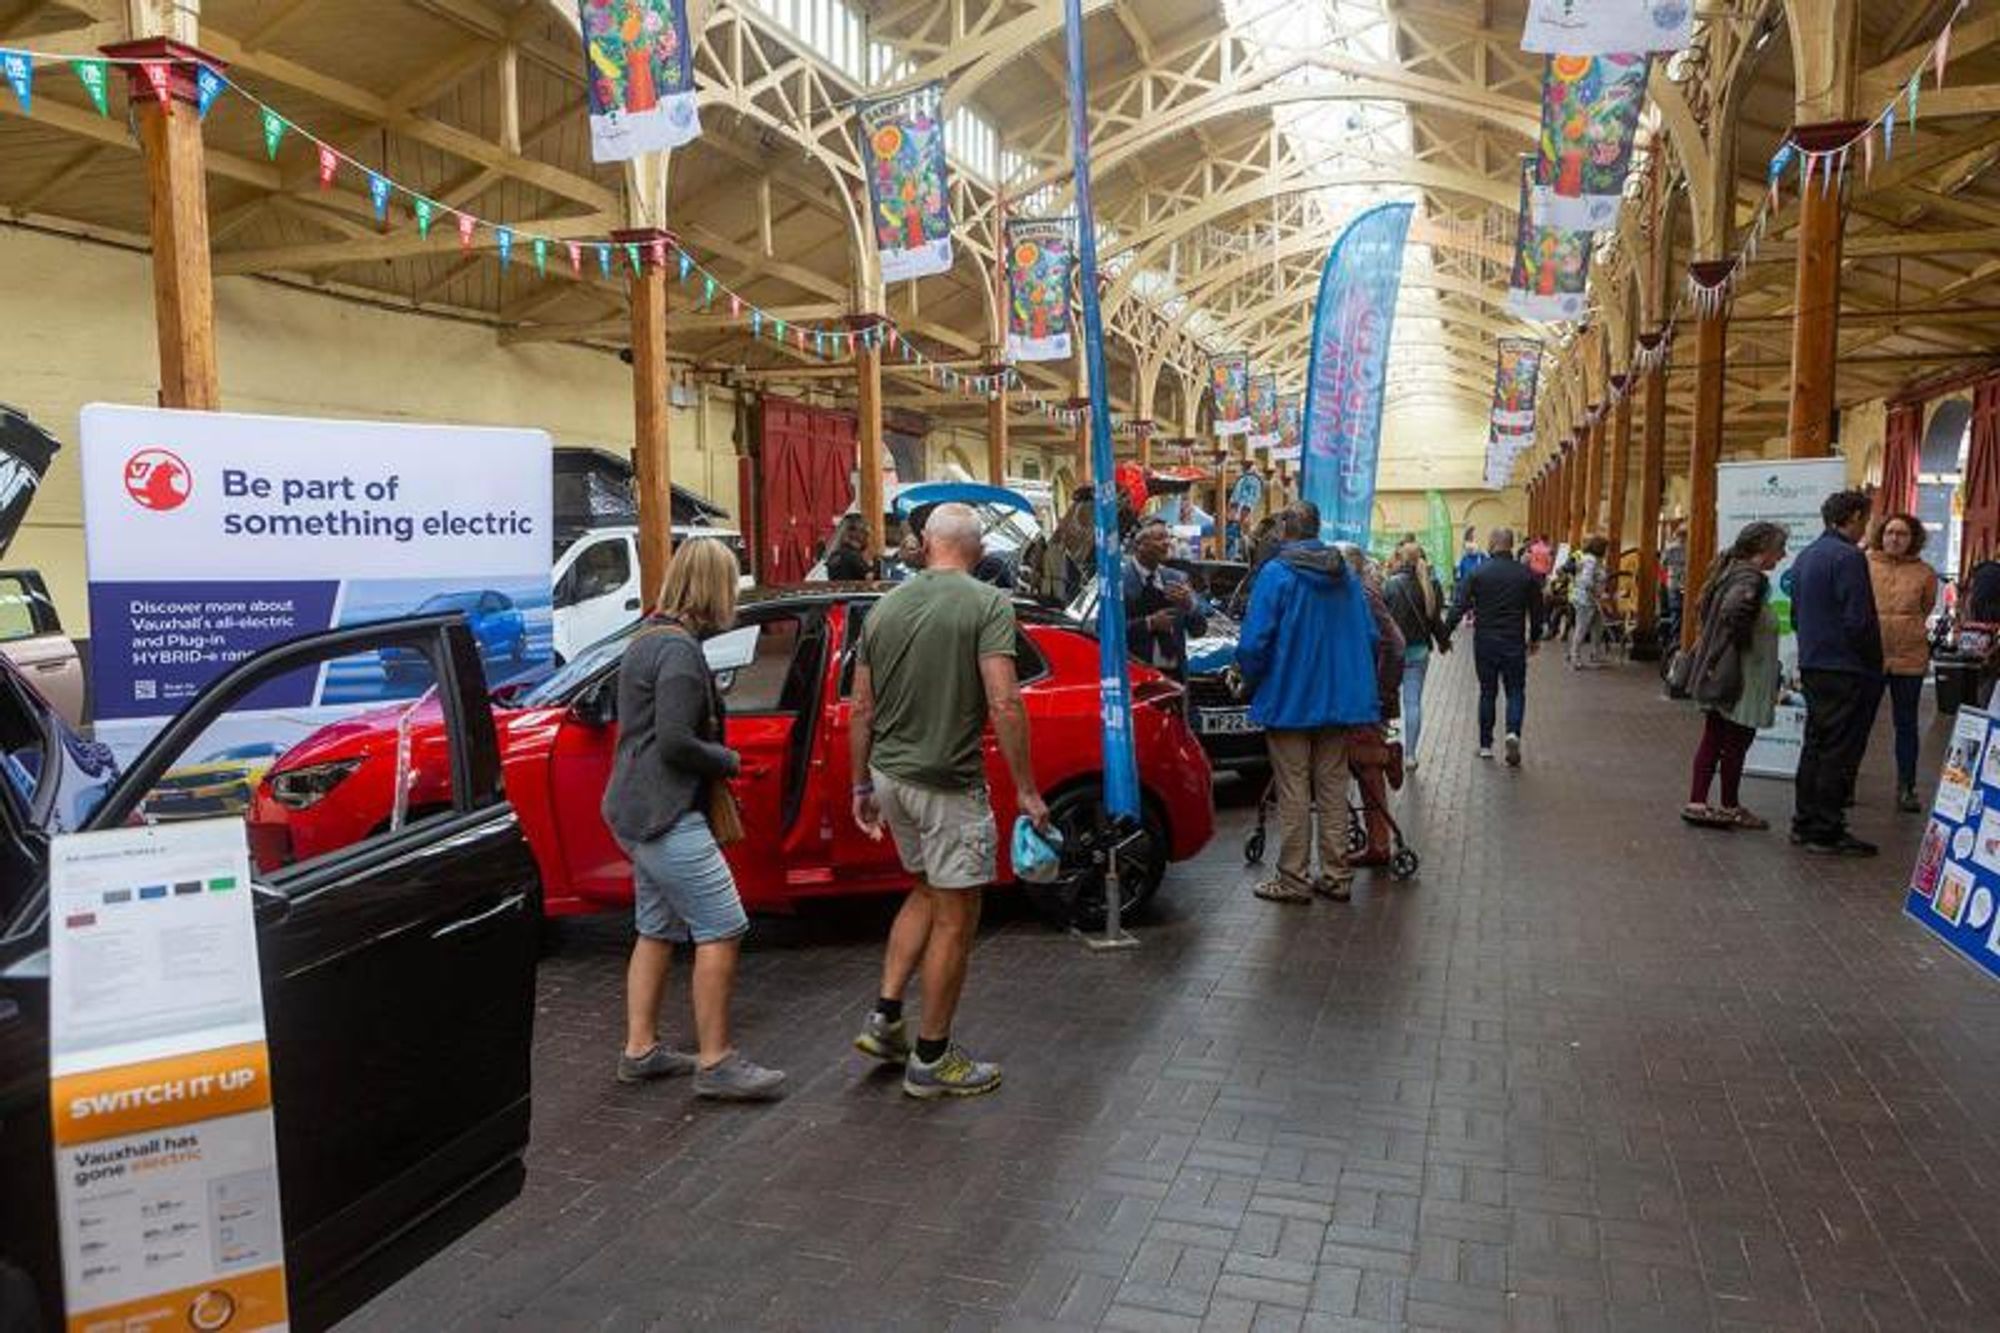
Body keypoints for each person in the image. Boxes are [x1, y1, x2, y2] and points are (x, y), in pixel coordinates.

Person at [849, 503, 1049, 1098]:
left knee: (927, 890)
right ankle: (932, 1059)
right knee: (958, 918)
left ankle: (887, 1020)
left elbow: (862, 708)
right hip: (947, 785)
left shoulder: (884, 607)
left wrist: (860, 785)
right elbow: (1005, 702)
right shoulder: (987, 604)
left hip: (889, 775)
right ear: (978, 546)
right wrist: (1028, 789)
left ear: (927, 544)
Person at [604, 538, 785, 1102]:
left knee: (656, 927)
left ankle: (641, 1049)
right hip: (666, 812)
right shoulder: (680, 652)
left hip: (634, 807)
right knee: (723, 926)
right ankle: (716, 1061)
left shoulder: (647, 639)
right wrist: (729, 760)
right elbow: (679, 742)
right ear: (713, 587)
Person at [1235, 502, 1381, 904]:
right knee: (1333, 786)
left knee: (1293, 788)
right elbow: (1370, 637)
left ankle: (1293, 878)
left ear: (1285, 530)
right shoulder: (1347, 576)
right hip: (1337, 701)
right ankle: (1336, 874)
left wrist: (1251, 676)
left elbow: (1254, 642)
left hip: (1289, 697)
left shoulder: (1277, 574)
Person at [1790, 489, 1884, 856]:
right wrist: (1870, 660)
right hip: (1844, 665)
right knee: (1837, 749)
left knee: (1815, 743)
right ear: (1855, 517)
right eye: (1866, 519)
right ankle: (1826, 828)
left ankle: (1804, 820)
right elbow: (1858, 618)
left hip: (1814, 660)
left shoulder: (1807, 555)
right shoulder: (1848, 558)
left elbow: (1798, 614)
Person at [1681, 522, 1788, 830]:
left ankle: (1699, 802)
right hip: (1740, 674)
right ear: (1763, 550)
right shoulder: (1750, 580)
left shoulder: (1729, 573)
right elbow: (1734, 613)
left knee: (1714, 735)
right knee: (1736, 740)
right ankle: (1728, 805)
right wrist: (1742, 643)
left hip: (1723, 670)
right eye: (1779, 549)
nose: (1781, 556)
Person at [1443, 528, 1546, 766]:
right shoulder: (1526, 575)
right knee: (1515, 691)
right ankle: (1512, 733)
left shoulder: (1478, 573)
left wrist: (1444, 635)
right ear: (1511, 545)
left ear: (1492, 543)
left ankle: (1486, 745)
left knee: (1488, 692)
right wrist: (1535, 638)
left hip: (1486, 642)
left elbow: (1459, 606)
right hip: (1514, 641)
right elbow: (1537, 610)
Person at [1335, 543, 1406, 867]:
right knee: (1364, 764)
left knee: (1365, 762)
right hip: (1361, 692)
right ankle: (1377, 842)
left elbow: (1395, 644)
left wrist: (1381, 688)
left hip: (1365, 695)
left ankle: (1379, 843)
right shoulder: (1360, 592)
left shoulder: (1362, 594)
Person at [1866, 513, 1939, 812]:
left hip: (1909, 657)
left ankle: (1906, 788)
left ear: (1913, 539)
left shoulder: (1925, 573)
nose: (1894, 538)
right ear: (1881, 535)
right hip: (1870, 656)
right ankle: (1843, 784)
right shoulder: (1865, 565)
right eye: (1890, 533)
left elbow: (1926, 607)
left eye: (1902, 534)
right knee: (1859, 723)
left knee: (1907, 724)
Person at [1384, 540, 1449, 769]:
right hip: (1419, 652)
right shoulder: (1428, 585)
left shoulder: (1389, 585)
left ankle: (1383, 747)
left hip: (1393, 654)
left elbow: (1383, 620)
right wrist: (1443, 641)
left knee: (1386, 699)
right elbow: (1434, 619)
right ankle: (1410, 755)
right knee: (1413, 703)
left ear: (1400, 558)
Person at [1124, 518, 1209, 681]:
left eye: (1168, 537)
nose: (1167, 543)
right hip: (1136, 680)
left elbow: (1199, 630)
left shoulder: (1177, 578)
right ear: (1139, 545)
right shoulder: (1118, 582)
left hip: (1175, 681)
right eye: (1159, 538)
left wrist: (1189, 606)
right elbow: (1103, 631)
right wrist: (1149, 623)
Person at [1569, 535, 1611, 669]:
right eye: (1606, 548)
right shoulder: (1591, 560)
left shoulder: (1594, 559)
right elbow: (1586, 581)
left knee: (1598, 627)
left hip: (1590, 600)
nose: (1607, 550)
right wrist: (1599, 594)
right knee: (1582, 628)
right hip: (1586, 600)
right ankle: (1575, 657)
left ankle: (1595, 654)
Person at [824, 512, 875, 582]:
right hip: (854, 591)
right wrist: (873, 565)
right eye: (866, 534)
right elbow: (870, 577)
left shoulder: (834, 555)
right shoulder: (852, 555)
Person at [1228, 460, 1264, 559]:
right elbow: (1237, 500)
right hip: (1238, 525)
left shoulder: (1250, 480)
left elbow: (1246, 503)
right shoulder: (1246, 480)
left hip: (1241, 526)